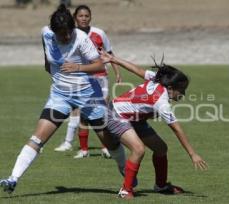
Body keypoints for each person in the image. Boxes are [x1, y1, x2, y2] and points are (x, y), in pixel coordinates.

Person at [0, 4, 112, 194]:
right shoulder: (46, 33)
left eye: (68, 33)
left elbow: (100, 64)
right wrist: (48, 64)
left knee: (111, 142)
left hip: (87, 95)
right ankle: (12, 179)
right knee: (37, 138)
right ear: (54, 31)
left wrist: (78, 68)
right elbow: (46, 48)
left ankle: (127, 175)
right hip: (60, 96)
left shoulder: (82, 39)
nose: (66, 37)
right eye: (62, 34)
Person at [99, 51, 208, 199]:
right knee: (138, 149)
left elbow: (136, 69)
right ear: (170, 87)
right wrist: (193, 154)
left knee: (161, 148)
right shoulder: (161, 102)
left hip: (135, 118)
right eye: (181, 90)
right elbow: (176, 129)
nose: (183, 93)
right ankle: (126, 190)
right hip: (116, 114)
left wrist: (113, 59)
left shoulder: (158, 79)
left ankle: (161, 186)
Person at [54, 4, 122, 159]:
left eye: (86, 16)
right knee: (82, 113)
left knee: (102, 112)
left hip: (100, 77)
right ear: (75, 18)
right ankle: (83, 150)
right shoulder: (70, 35)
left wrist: (118, 73)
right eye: (80, 16)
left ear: (90, 17)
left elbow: (110, 54)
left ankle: (106, 147)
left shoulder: (99, 33)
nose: (83, 19)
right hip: (81, 78)